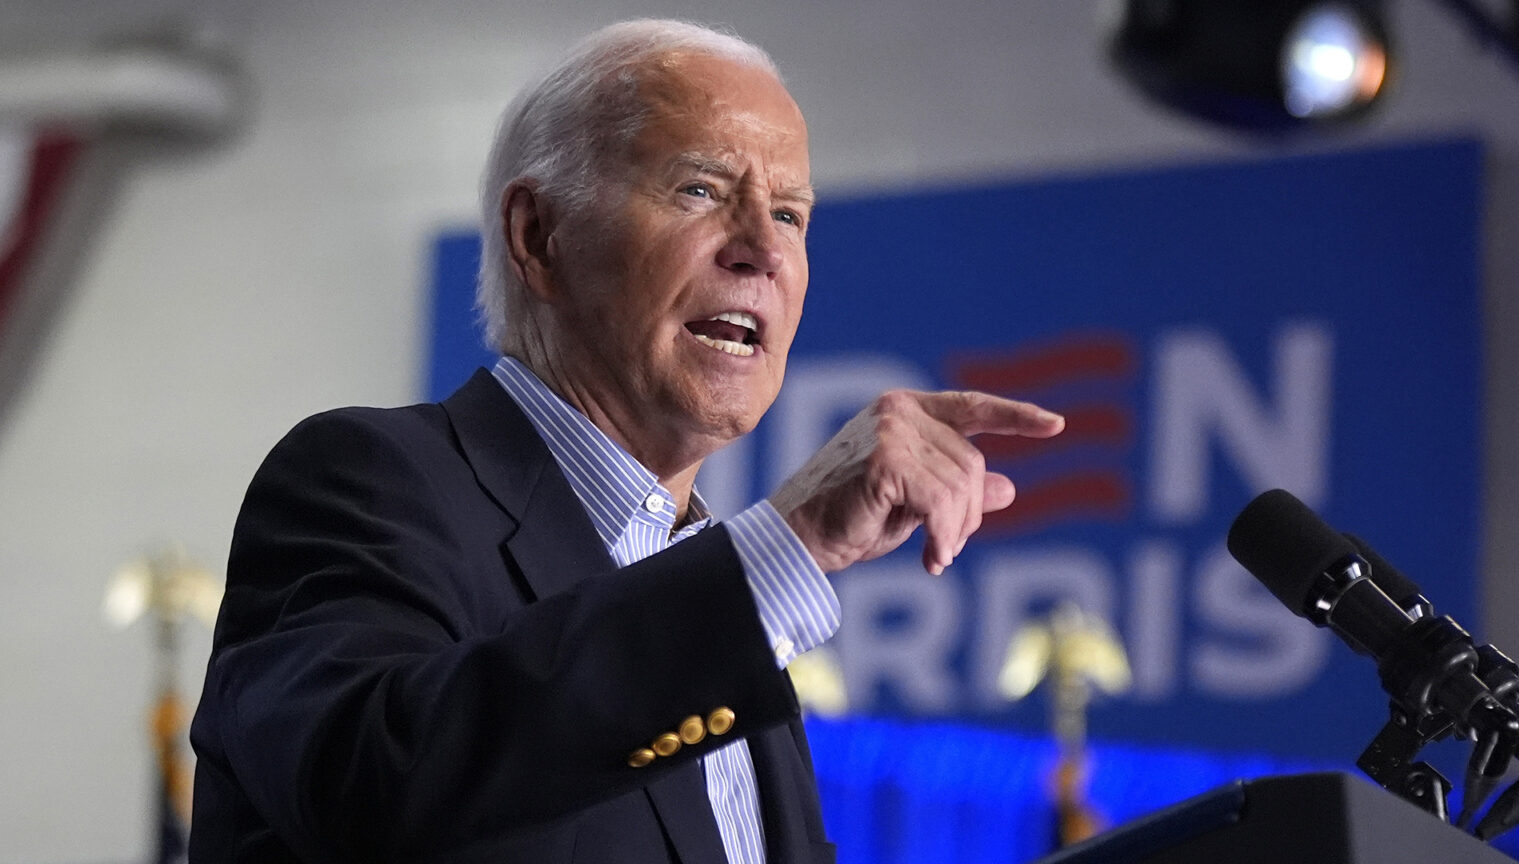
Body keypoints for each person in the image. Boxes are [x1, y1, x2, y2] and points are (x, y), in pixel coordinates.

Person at [188, 18, 1064, 864]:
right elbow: (372, 786)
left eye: (791, 214)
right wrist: (786, 547)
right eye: (701, 191)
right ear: (538, 237)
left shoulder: (720, 610)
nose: (763, 248)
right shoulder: (367, 483)